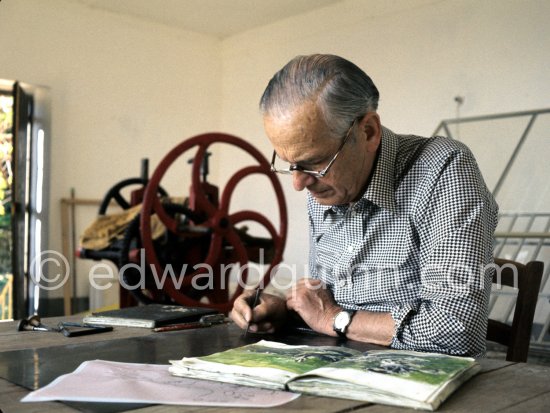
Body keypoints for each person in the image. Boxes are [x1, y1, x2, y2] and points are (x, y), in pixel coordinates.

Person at [230, 54, 498, 357]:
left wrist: (333, 319)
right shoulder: (323, 185)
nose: (298, 183)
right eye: (290, 164)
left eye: (315, 163)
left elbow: (457, 329)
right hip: (340, 369)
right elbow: (325, 301)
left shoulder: (443, 169)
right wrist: (287, 311)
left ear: (368, 131)